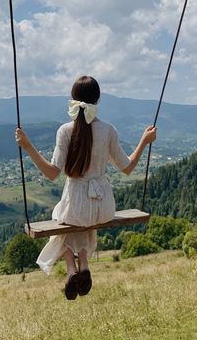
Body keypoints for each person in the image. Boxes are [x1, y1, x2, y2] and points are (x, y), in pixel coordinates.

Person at [15, 75, 157, 300]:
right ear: (97, 100)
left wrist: (27, 145)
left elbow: (52, 173)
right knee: (83, 219)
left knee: (63, 216)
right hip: (105, 207)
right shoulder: (108, 130)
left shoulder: (64, 131)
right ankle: (84, 264)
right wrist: (144, 140)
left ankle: (73, 268)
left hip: (76, 205)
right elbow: (127, 168)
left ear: (73, 100)